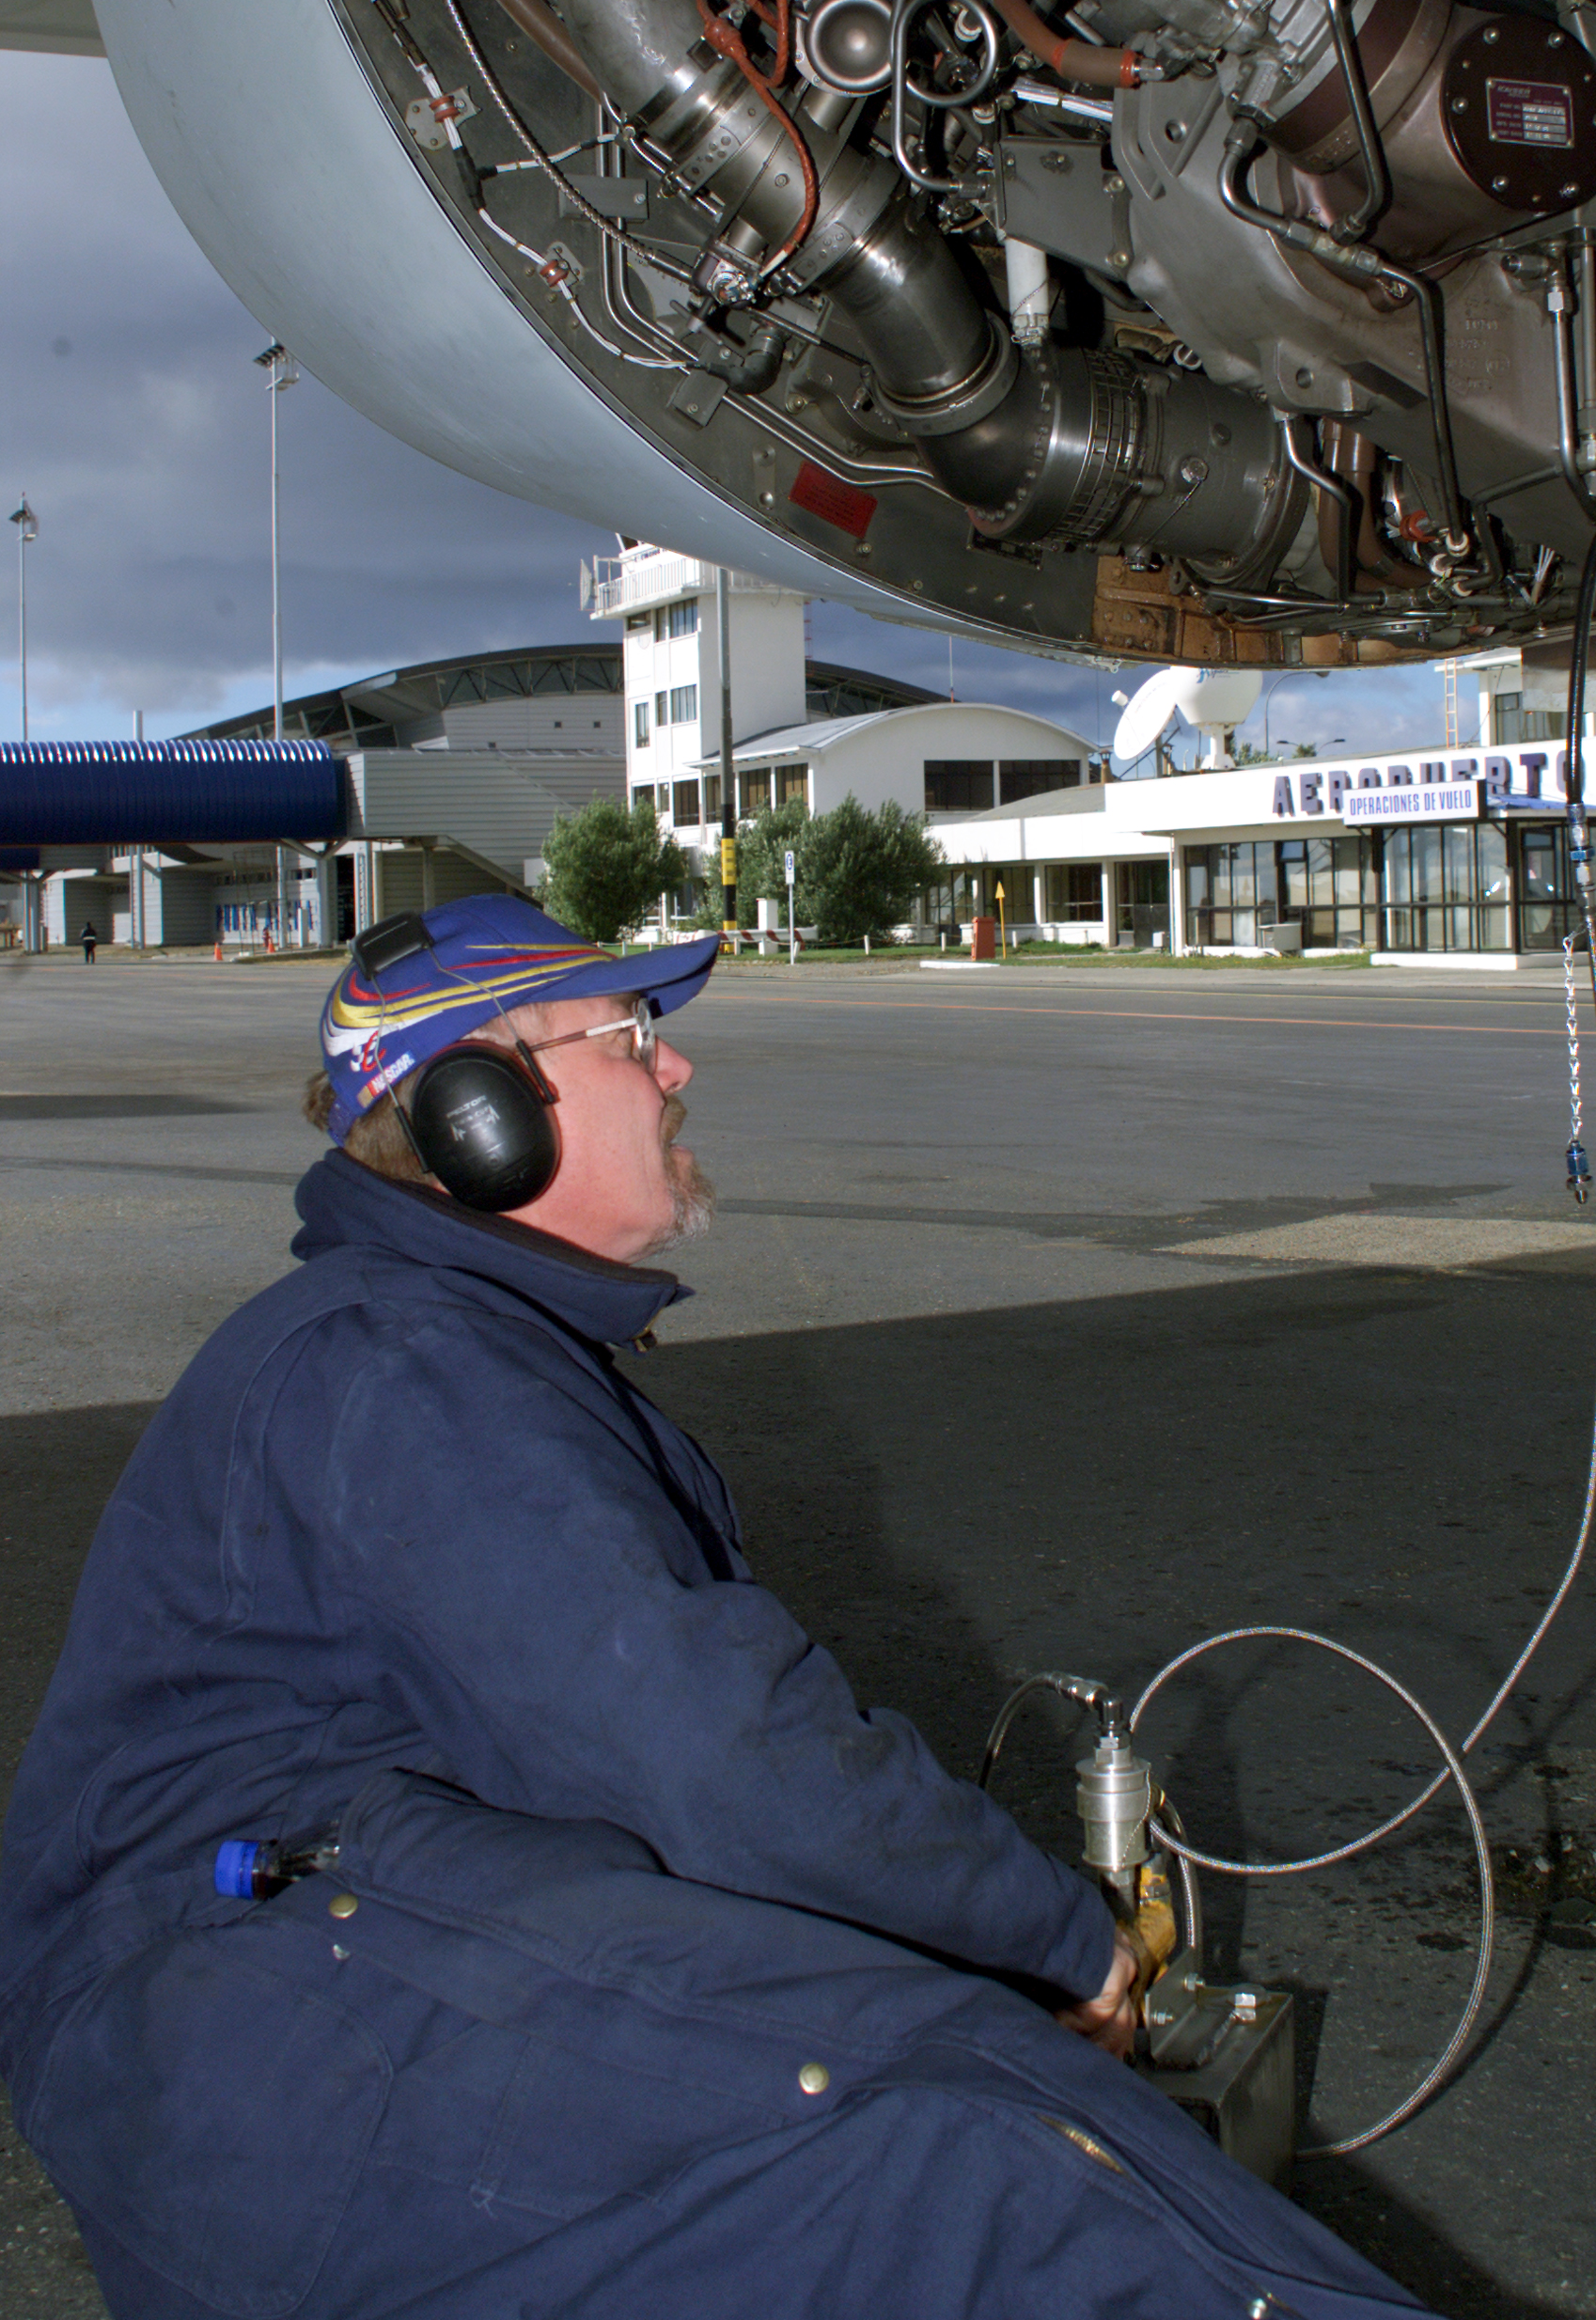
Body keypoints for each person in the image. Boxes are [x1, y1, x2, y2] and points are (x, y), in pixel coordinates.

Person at [0, 896, 1424, 2320]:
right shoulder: (404, 1362)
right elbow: (714, 1755)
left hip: (293, 1964)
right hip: (235, 2001)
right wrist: (1057, 1939)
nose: (676, 1072)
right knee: (981, 2163)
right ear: (479, 1120)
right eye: (630, 1038)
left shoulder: (445, 1341)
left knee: (913, 2084)